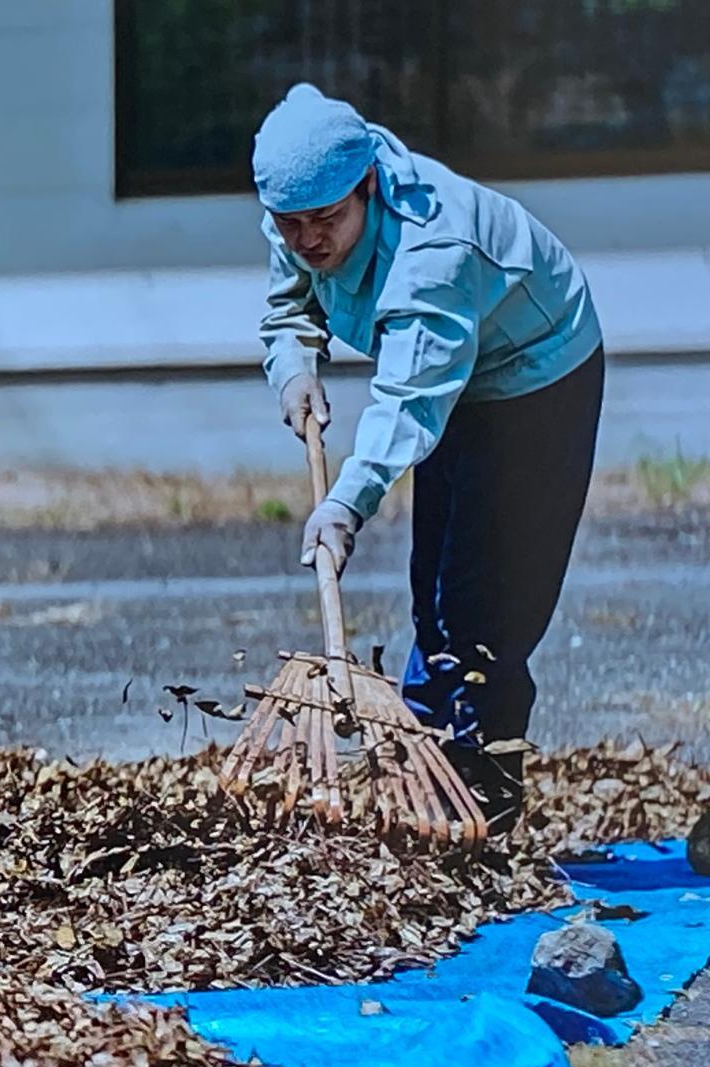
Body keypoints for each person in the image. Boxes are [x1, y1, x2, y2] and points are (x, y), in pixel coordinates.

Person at [252, 83, 605, 833]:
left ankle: (485, 803)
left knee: (485, 601)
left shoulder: (431, 256)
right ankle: (426, 761)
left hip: (534, 371)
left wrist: (342, 508)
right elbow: (290, 308)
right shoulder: (299, 202)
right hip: (454, 373)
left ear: (368, 185)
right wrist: (294, 369)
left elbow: (409, 405)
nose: (309, 240)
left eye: (326, 221)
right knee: (436, 583)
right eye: (292, 225)